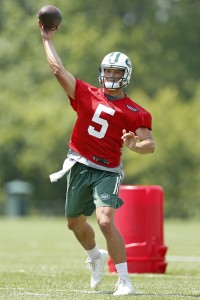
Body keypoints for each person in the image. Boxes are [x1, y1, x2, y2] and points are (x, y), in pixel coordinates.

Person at [38, 21, 155, 296]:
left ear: (126, 76)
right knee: (74, 223)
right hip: (79, 163)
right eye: (108, 71)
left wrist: (134, 145)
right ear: (101, 73)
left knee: (104, 220)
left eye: (117, 72)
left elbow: (150, 144)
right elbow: (57, 70)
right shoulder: (86, 93)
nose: (111, 76)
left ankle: (124, 280)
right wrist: (46, 39)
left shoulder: (135, 111)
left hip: (108, 170)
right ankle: (95, 256)